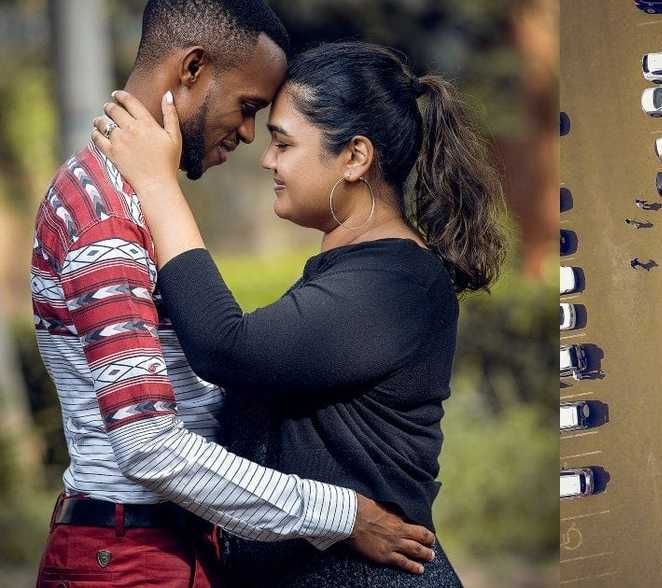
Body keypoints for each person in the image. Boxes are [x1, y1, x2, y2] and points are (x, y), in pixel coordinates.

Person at [32, 3, 436, 586]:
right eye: (247, 108)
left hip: (169, 542)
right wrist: (342, 515)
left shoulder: (140, 195)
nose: (250, 137)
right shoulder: (105, 212)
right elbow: (148, 445)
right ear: (192, 69)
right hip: (128, 557)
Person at [92, 40, 510, 586]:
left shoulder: (396, 283)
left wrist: (155, 183)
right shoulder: (354, 271)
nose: (266, 159)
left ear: (355, 158)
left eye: (283, 143)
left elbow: (225, 346)